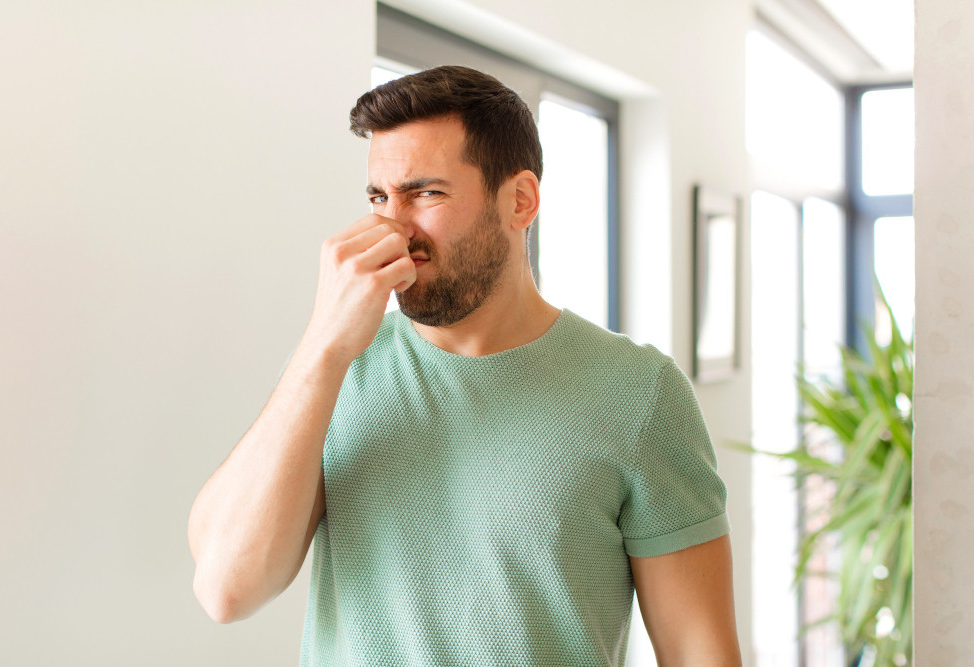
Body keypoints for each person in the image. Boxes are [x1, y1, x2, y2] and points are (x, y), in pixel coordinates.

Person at [188, 65, 741, 666]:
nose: (394, 228)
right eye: (379, 197)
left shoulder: (639, 393)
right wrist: (323, 346)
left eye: (426, 193)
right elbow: (226, 590)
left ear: (520, 201)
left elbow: (699, 652)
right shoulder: (335, 365)